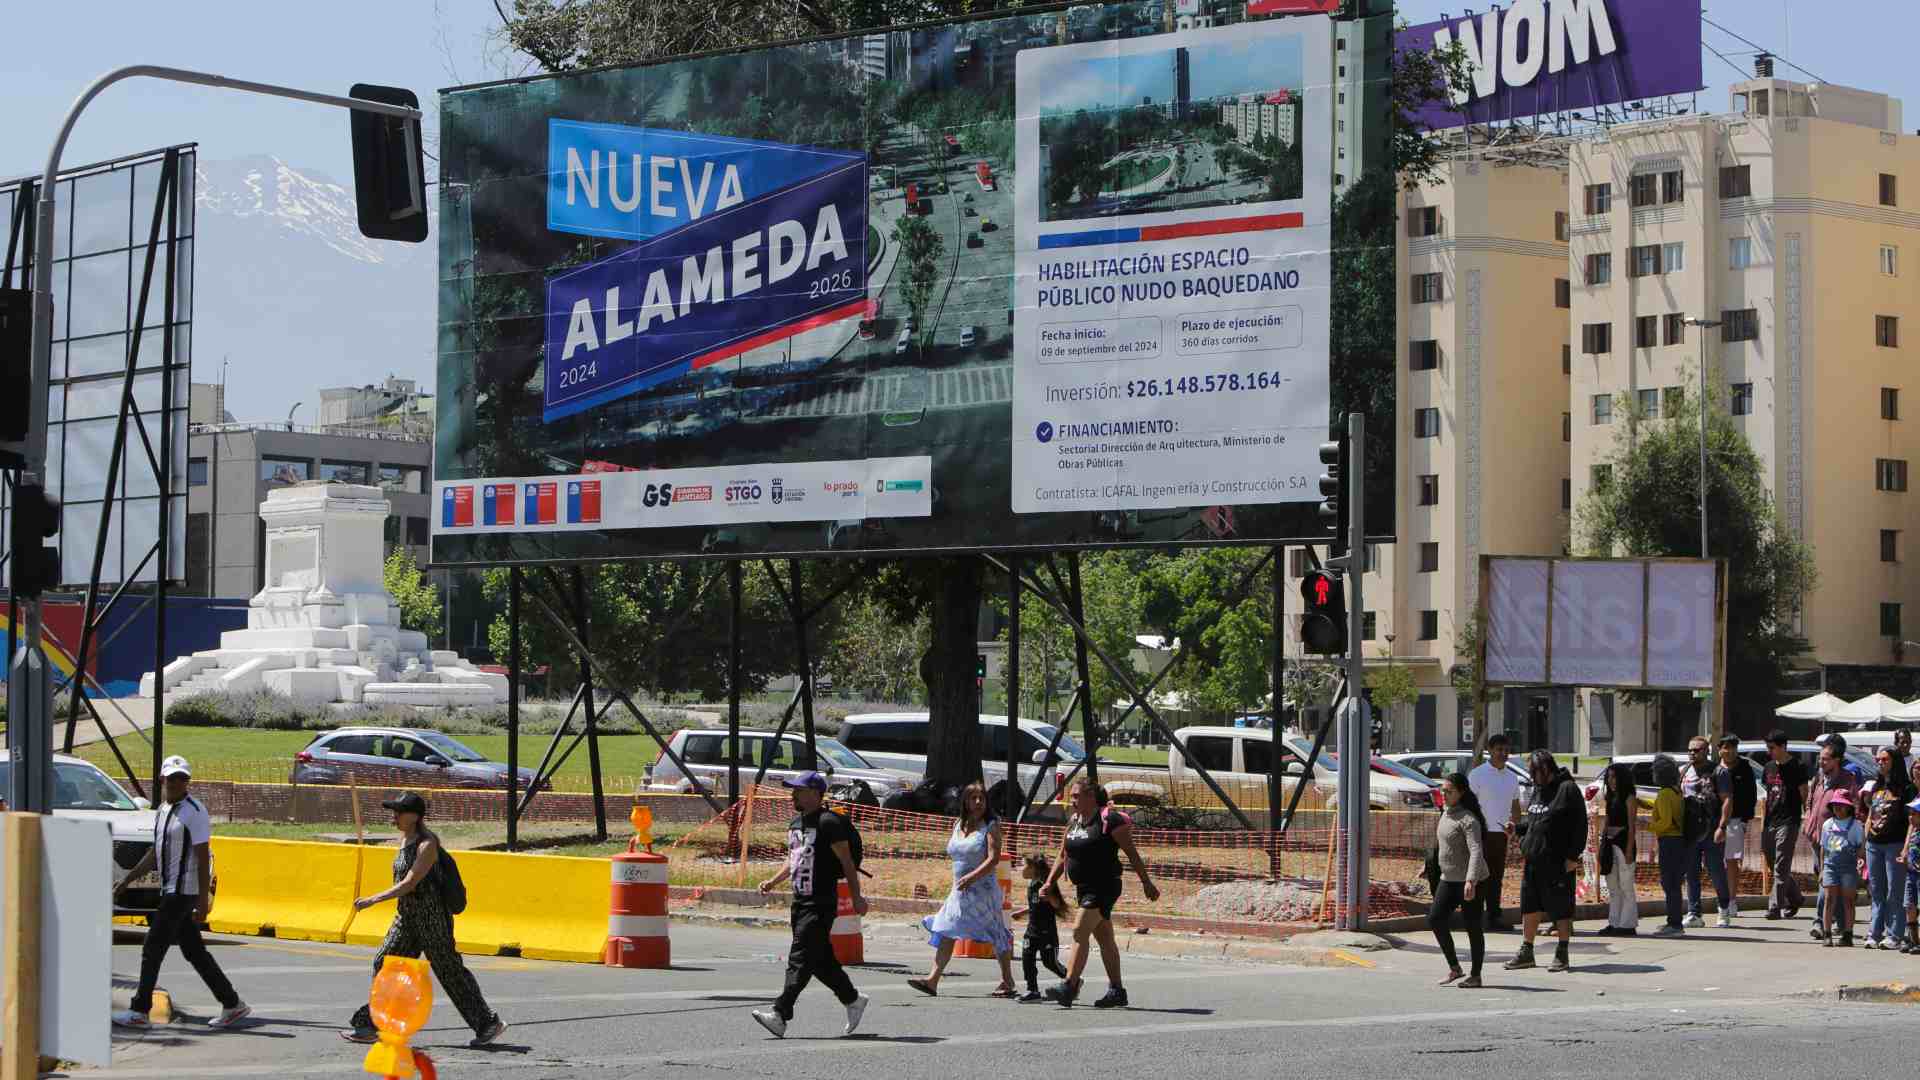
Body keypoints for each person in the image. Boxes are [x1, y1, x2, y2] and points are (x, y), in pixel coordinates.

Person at [342, 793, 504, 1046]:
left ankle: (487, 1024)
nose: (394, 816)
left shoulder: (427, 845)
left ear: (415, 816)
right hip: (406, 919)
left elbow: (410, 883)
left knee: (449, 972)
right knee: (384, 963)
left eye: (399, 811)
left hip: (432, 920)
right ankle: (373, 1024)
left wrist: (373, 899)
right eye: (393, 811)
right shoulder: (405, 840)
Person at [112, 756, 250, 1030]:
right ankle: (233, 1003)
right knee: (194, 952)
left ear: (187, 781)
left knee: (152, 948)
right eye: (171, 778)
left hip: (182, 892)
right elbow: (155, 852)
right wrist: (128, 879)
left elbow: (202, 856)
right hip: (170, 890)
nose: (176, 783)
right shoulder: (163, 809)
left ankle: (140, 1010)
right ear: (162, 780)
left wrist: (201, 901)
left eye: (182, 778)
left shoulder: (194, 811)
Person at [753, 772, 870, 1038]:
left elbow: (847, 864)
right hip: (800, 901)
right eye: (793, 790)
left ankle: (780, 1014)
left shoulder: (829, 823)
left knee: (800, 957)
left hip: (821, 902)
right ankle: (852, 999)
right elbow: (793, 859)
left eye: (799, 790)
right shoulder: (795, 823)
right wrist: (772, 881)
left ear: (816, 793)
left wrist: (857, 897)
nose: (793, 794)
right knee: (819, 961)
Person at [1042, 779, 1159, 1008]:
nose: (1072, 800)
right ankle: (1117, 990)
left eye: (1076, 796)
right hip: (1083, 888)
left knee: (1079, 930)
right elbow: (1062, 855)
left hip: (1104, 885)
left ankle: (1069, 985)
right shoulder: (1074, 821)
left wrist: (1146, 882)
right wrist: (1049, 882)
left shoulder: (1109, 820)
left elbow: (1131, 853)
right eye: (1072, 796)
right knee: (1104, 938)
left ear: (1091, 798)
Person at [909, 782, 1017, 997]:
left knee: (996, 933)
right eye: (973, 798)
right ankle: (932, 980)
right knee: (947, 928)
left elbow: (994, 858)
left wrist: (972, 876)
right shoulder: (958, 824)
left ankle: (1008, 980)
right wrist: (964, 879)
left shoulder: (991, 825)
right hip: (959, 890)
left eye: (982, 798)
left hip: (983, 890)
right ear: (965, 802)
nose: (978, 802)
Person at [1504, 750, 1585, 972]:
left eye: (1534, 772)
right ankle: (1527, 951)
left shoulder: (1567, 789)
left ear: (1546, 768)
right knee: (1530, 906)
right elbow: (1533, 820)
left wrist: (1572, 857)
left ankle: (1562, 952)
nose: (1532, 777)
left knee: (1561, 909)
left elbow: (1580, 826)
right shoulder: (1539, 790)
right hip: (1533, 862)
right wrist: (1517, 829)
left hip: (1558, 862)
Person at [1431, 774, 1489, 988]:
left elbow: (1476, 851)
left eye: (1449, 791)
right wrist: (1428, 865)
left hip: (1470, 881)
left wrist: (1471, 881)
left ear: (1461, 793)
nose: (1444, 795)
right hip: (1448, 879)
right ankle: (1455, 968)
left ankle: (1476, 975)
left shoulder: (1469, 819)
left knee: (1473, 927)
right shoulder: (1446, 814)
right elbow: (1443, 845)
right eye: (1442, 790)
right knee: (1435, 919)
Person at [1802, 740, 1862, 940]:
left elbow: (1855, 806)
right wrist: (1809, 817)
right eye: (1820, 759)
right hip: (1817, 834)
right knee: (1825, 879)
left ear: (1837, 760)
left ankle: (1821, 922)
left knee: (1827, 882)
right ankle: (1837, 922)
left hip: (1839, 837)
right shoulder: (1819, 777)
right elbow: (1810, 799)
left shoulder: (1847, 779)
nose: (1821, 762)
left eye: (1826, 759)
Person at [1468, 734, 1525, 931]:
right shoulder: (1477, 775)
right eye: (1499, 749)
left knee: (1496, 877)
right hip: (1479, 834)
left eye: (1506, 750)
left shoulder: (1512, 777)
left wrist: (1513, 824)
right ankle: (1474, 917)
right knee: (1476, 877)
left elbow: (1516, 806)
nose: (1503, 753)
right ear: (1490, 750)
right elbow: (1468, 805)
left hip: (1501, 836)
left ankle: (1494, 917)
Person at [1678, 737, 1733, 928]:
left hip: (1711, 830)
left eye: (1697, 750)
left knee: (1716, 870)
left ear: (1706, 751)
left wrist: (1722, 827)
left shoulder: (1719, 772)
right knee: (1691, 873)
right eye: (1690, 750)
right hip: (1690, 832)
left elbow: (1727, 800)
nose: (1692, 753)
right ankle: (1694, 912)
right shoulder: (1683, 771)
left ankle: (1724, 909)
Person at [1862, 748, 1913, 949]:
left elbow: (1912, 821)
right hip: (1874, 844)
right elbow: (1870, 816)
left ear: (1895, 761)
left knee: (1895, 891)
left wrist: (1907, 847)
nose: (1880, 763)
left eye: (1884, 759)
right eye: (1878, 759)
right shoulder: (1877, 786)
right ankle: (1874, 933)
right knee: (1876, 890)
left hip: (1895, 844)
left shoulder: (1905, 789)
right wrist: (1865, 842)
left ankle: (1894, 934)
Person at [1761, 730, 1810, 920]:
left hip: (1789, 821)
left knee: (1782, 864)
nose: (1769, 751)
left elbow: (1804, 793)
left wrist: (1805, 817)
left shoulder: (1798, 766)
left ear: (1783, 747)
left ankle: (1775, 907)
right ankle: (1796, 897)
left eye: (1772, 748)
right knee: (1772, 861)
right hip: (1770, 820)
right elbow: (1769, 794)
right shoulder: (1768, 767)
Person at [1011, 852, 1070, 1001]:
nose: (1019, 868)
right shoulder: (1031, 884)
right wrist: (1022, 912)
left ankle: (1072, 979)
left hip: (1046, 931)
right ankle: (1033, 990)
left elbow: (1057, 905)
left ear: (1033, 868)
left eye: (1022, 865)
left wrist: (1049, 896)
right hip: (1031, 930)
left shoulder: (1045, 884)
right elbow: (1035, 904)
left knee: (1049, 962)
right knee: (1027, 958)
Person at [1595, 762, 1639, 936]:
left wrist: (1629, 849)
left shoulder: (1630, 798)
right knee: (1613, 886)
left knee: (1626, 885)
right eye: (1609, 777)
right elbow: (1607, 822)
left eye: (1615, 777)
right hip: (1609, 844)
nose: (1611, 780)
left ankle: (1628, 924)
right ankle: (1614, 922)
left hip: (1623, 845)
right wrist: (1602, 845)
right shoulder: (1610, 797)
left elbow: (1631, 826)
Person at [1819, 790, 1866, 947]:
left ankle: (1847, 933)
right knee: (1829, 899)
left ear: (1848, 807)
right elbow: (1823, 848)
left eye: (1842, 805)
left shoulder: (1856, 826)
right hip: (1830, 865)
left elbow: (1861, 847)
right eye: (1835, 805)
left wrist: (1860, 860)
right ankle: (1827, 933)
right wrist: (1822, 869)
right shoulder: (1827, 825)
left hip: (1848, 867)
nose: (1838, 808)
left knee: (1848, 900)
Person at [1717, 735, 1755, 924]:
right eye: (1726, 748)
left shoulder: (1745, 768)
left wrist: (1745, 820)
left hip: (1735, 821)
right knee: (1716, 862)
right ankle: (1721, 899)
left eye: (1733, 748)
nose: (1730, 751)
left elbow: (1751, 796)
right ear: (1719, 750)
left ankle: (1731, 900)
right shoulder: (1715, 769)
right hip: (1714, 822)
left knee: (1731, 861)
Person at [1650, 754, 1688, 937]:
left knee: (1669, 884)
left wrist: (1648, 825)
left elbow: (1664, 822)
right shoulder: (1676, 791)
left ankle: (1674, 924)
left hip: (1669, 841)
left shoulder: (1664, 793)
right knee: (1675, 884)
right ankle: (1675, 922)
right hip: (1680, 841)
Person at [1902, 757, 1920, 954]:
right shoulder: (1914, 793)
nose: (1917, 771)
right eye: (1915, 768)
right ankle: (1913, 940)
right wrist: (1905, 848)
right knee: (1909, 904)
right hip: (1911, 870)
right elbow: (1910, 827)